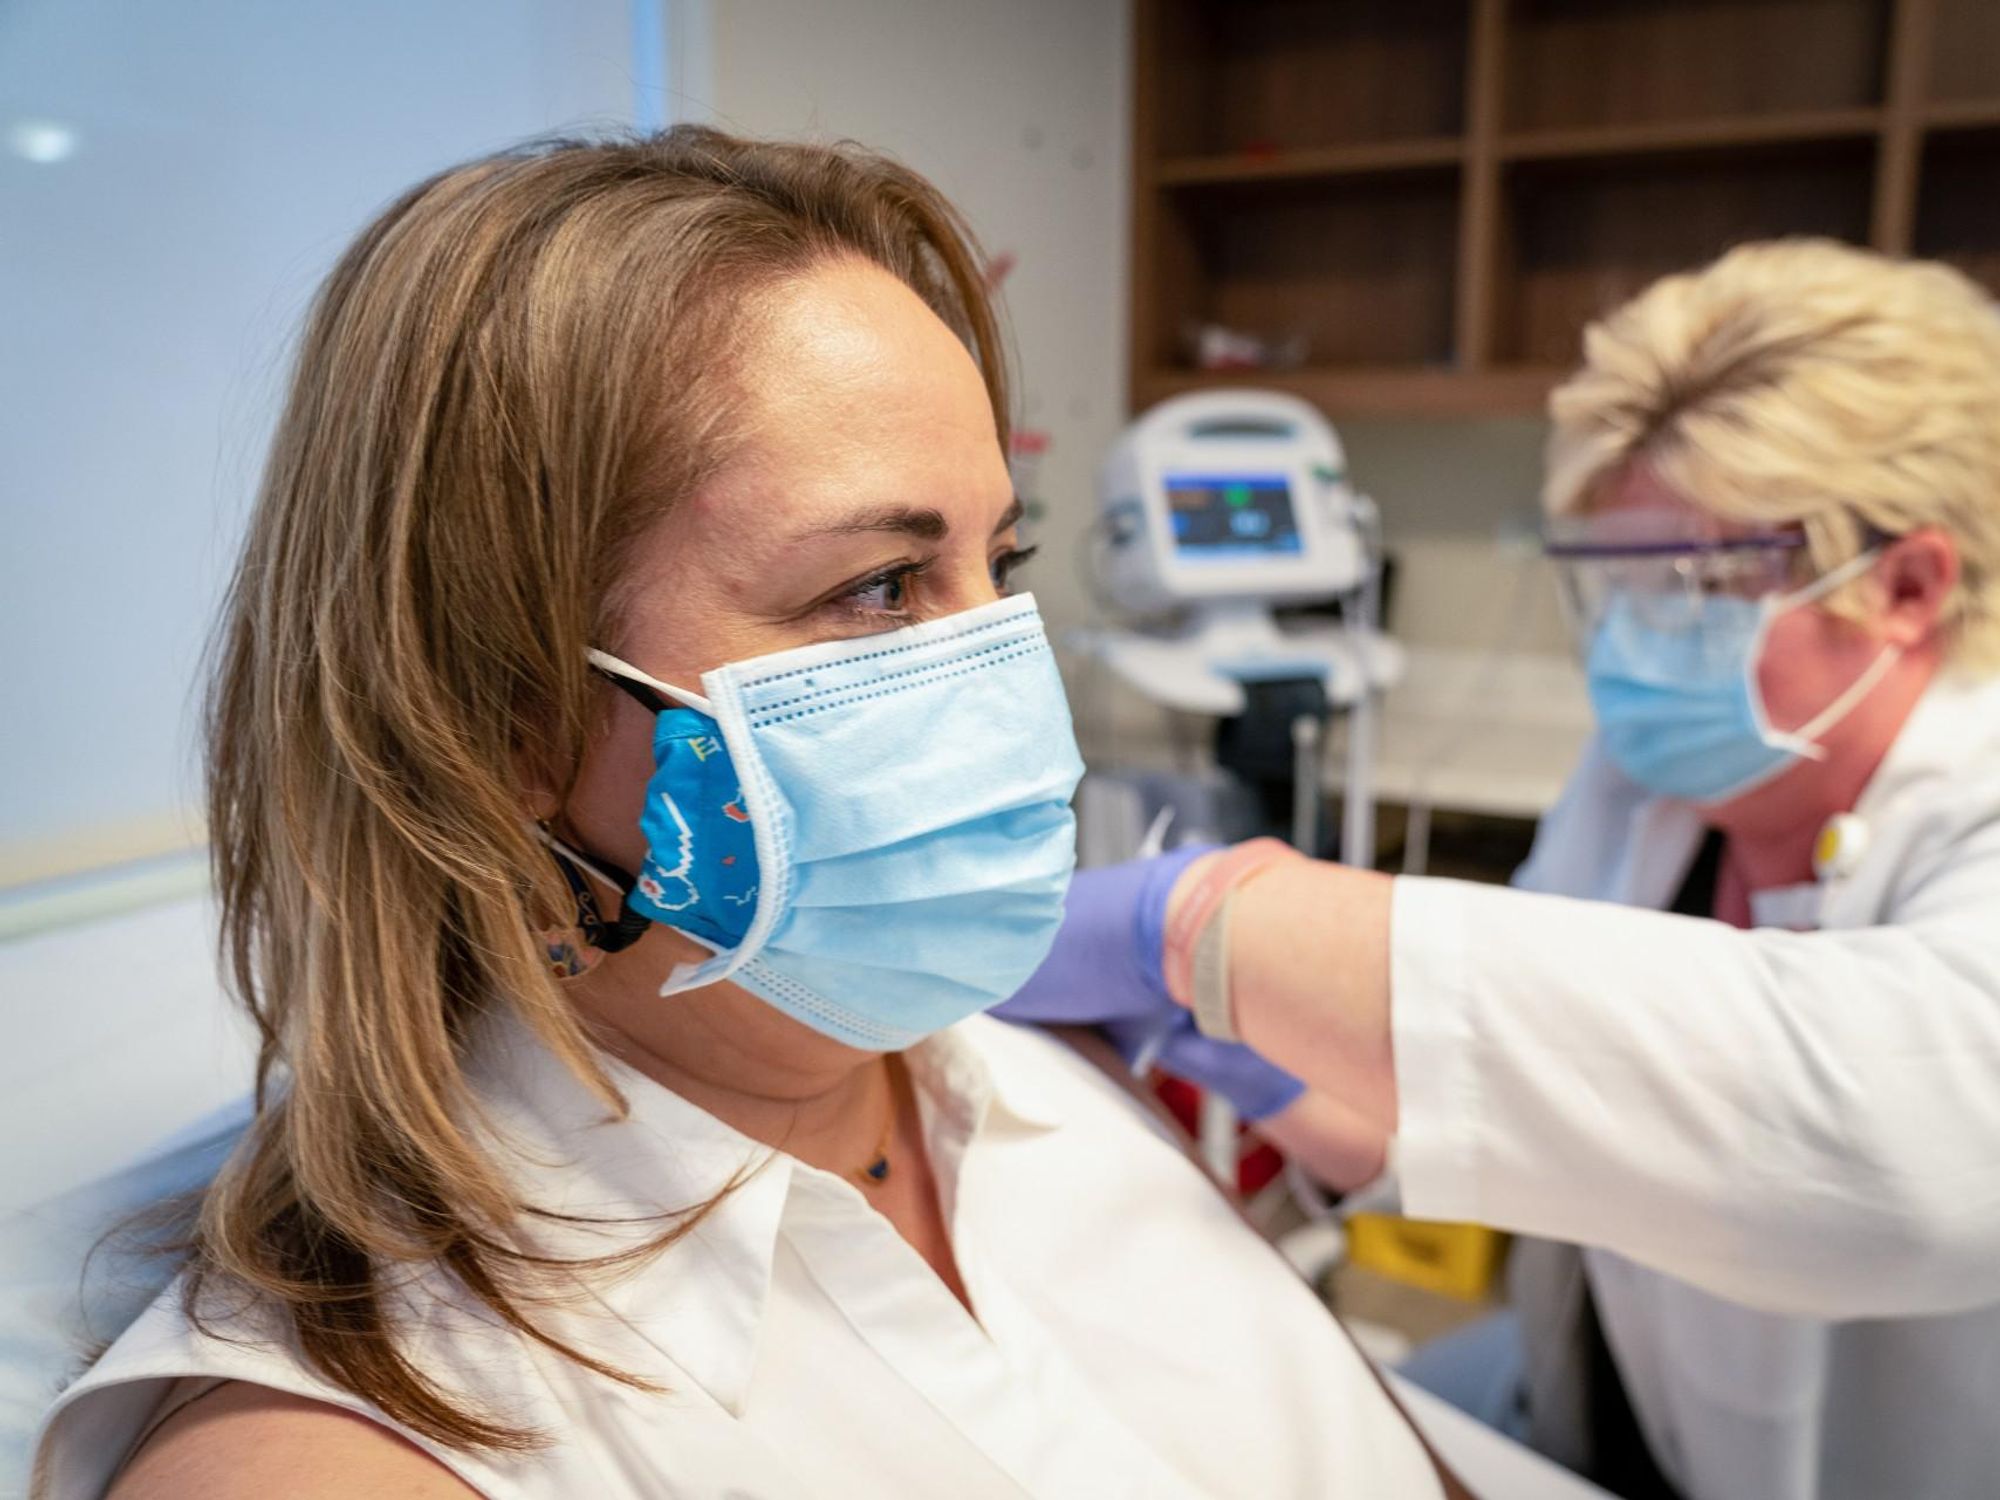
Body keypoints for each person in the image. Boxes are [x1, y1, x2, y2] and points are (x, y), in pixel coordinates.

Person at [30, 129, 1454, 1498]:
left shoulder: (1047, 1072)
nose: (1008, 672)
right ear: (501, 713)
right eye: (881, 587)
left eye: (996, 565)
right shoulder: (359, 1446)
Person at [999, 239, 2000, 1500]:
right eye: (1609, 585)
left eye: (1693, 585)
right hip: (1602, 1406)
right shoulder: (1651, 788)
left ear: (1905, 584)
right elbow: (1549, 1092)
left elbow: (1885, 1144)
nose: (1635, 642)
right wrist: (1308, 1090)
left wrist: (1198, 923)